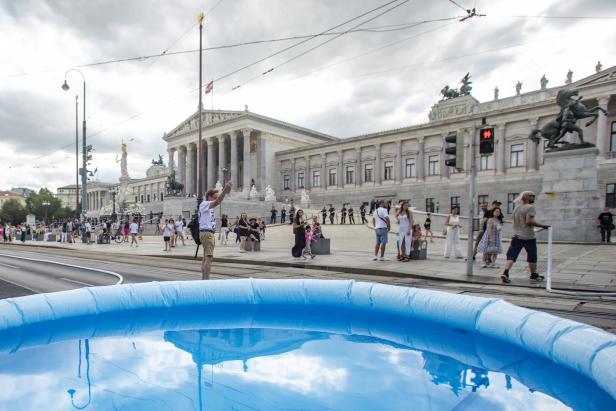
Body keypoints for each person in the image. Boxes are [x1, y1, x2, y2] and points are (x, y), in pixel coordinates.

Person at [501, 191, 550, 284]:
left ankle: (505, 272)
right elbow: (529, 221)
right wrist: (542, 225)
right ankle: (534, 274)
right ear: (527, 197)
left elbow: (514, 220)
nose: (534, 198)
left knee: (511, 256)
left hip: (516, 236)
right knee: (532, 256)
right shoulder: (530, 207)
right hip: (528, 236)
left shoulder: (517, 207)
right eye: (533, 196)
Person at [199, 182, 232, 280]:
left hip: (208, 233)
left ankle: (204, 279)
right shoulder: (205, 204)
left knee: (206, 257)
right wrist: (224, 192)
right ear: (209, 197)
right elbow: (217, 201)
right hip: (207, 233)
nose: (216, 198)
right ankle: (206, 280)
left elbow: (217, 201)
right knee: (209, 257)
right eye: (214, 197)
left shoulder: (207, 207)